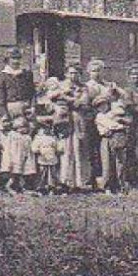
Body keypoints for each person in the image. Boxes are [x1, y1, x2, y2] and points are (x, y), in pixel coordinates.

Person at [62, 63, 96, 191]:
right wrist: (70, 99)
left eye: (76, 73)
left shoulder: (84, 87)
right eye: (70, 73)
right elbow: (59, 99)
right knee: (67, 149)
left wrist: (71, 100)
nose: (73, 75)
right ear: (66, 74)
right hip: (65, 120)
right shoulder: (62, 86)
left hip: (79, 120)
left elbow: (84, 102)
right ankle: (66, 180)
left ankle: (80, 181)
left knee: (80, 149)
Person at [95, 98, 131, 193]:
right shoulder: (100, 116)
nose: (103, 107)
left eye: (104, 104)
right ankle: (107, 187)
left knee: (120, 163)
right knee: (107, 164)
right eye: (100, 106)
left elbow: (127, 122)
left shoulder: (114, 113)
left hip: (117, 137)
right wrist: (118, 125)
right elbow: (109, 126)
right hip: (106, 139)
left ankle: (121, 185)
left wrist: (121, 124)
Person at [0, 47, 37, 119]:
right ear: (8, 61)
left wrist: (33, 107)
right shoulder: (3, 76)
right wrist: (4, 114)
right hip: (11, 109)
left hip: (26, 108)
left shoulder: (27, 74)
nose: (16, 61)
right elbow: (0, 99)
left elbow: (32, 93)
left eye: (18, 59)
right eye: (13, 59)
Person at [0, 116, 35, 192]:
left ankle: (20, 187)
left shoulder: (27, 137)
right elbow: (8, 147)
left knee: (21, 174)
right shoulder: (13, 135)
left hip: (23, 157)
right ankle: (8, 186)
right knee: (14, 174)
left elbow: (28, 148)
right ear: (17, 128)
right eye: (23, 128)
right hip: (15, 157)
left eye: (26, 128)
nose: (25, 130)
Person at [31, 118, 62, 194]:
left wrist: (58, 150)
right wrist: (37, 150)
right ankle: (40, 187)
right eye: (44, 128)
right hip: (42, 158)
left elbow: (58, 147)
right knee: (42, 173)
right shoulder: (38, 138)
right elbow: (34, 147)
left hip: (52, 158)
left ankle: (52, 187)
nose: (46, 130)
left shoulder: (53, 138)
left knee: (52, 173)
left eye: (48, 128)